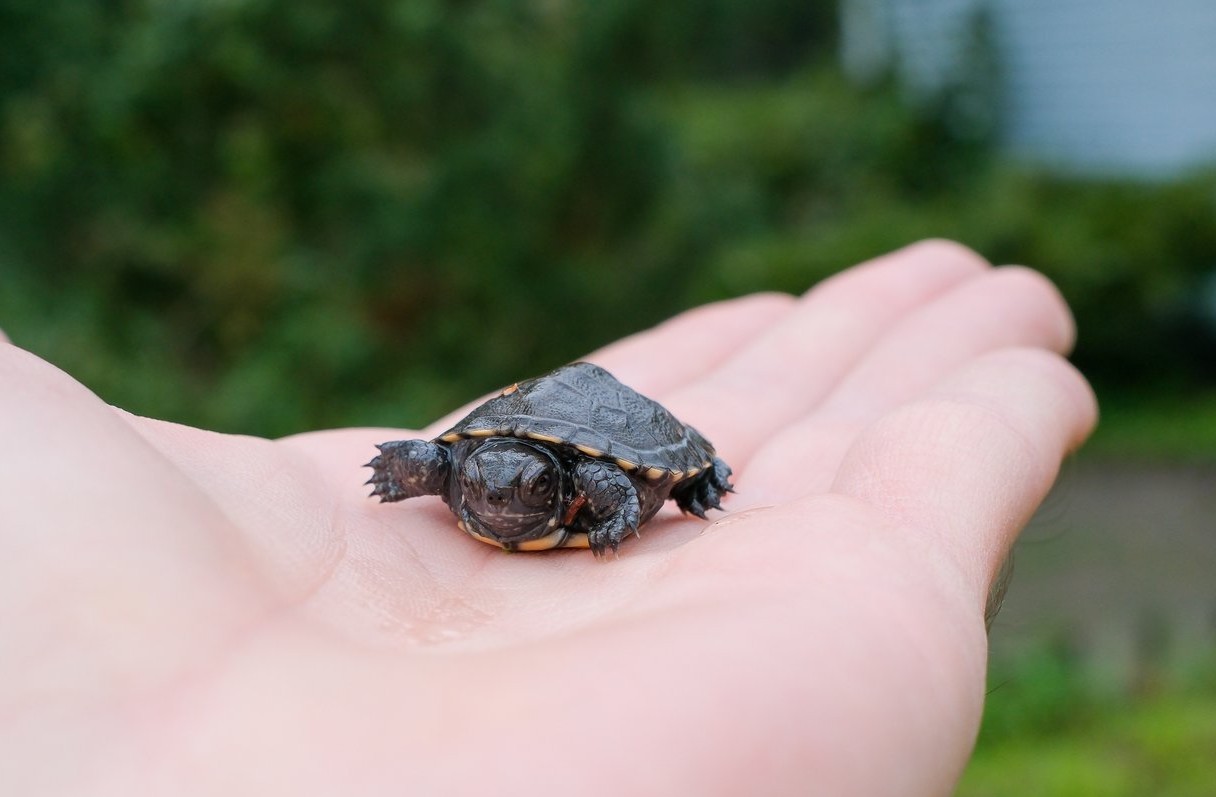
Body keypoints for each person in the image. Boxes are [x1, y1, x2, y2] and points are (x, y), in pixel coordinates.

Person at [0, 240, 1095, 795]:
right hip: (527, 415)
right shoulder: (472, 463)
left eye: (525, 489)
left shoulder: (587, 481)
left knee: (691, 471)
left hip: (612, 422)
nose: (504, 495)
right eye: (495, 483)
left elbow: (626, 480)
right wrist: (419, 468)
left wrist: (637, 501)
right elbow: (434, 453)